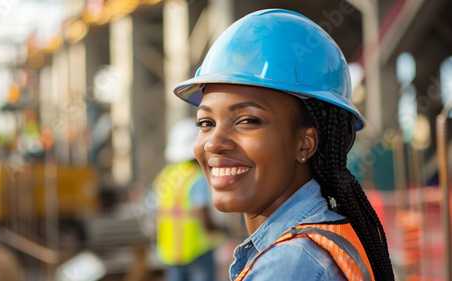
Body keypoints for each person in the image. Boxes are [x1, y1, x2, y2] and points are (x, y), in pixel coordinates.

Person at [172, 9, 394, 281]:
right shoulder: (327, 236)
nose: (214, 143)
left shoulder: (289, 265)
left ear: (305, 143)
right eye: (206, 123)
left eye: (247, 120)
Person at [154, 118, 224, 281]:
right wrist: (218, 230)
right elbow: (201, 213)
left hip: (170, 252)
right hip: (197, 251)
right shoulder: (196, 176)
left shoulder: (166, 175)